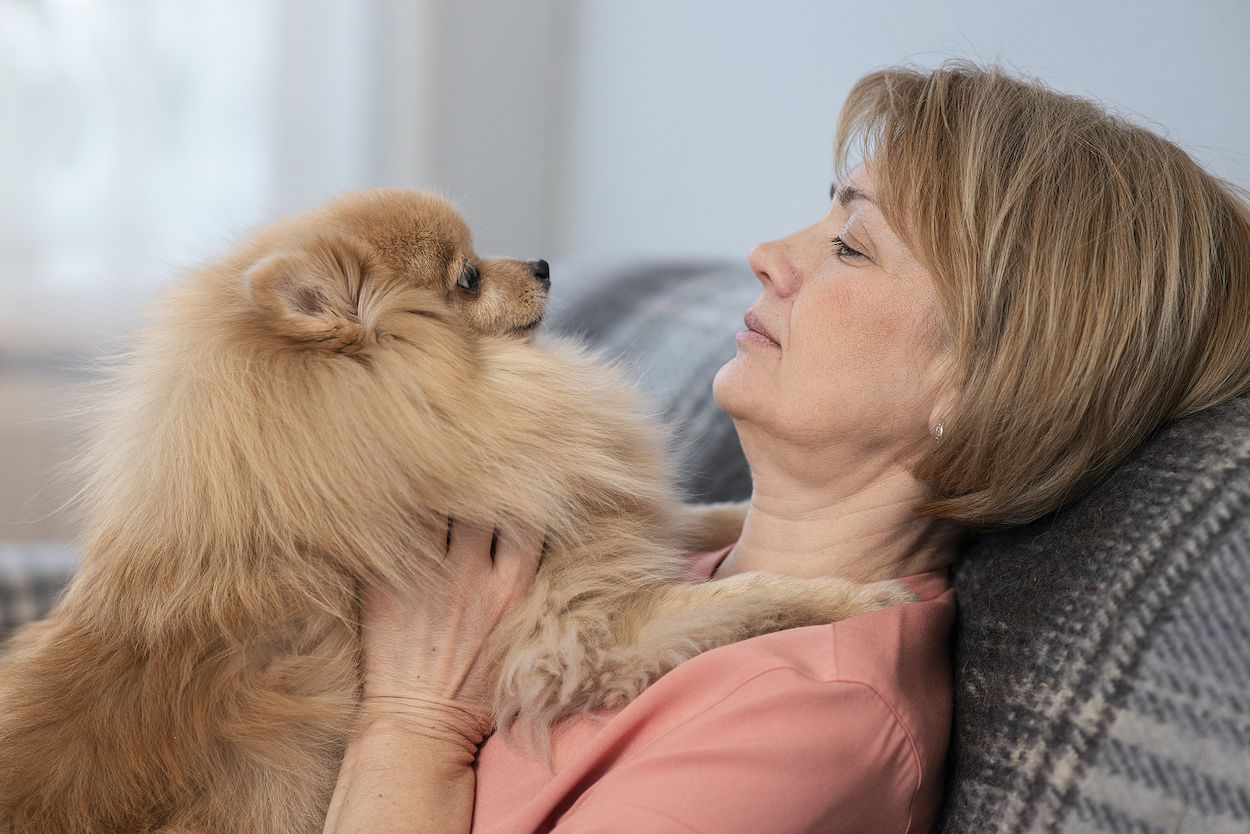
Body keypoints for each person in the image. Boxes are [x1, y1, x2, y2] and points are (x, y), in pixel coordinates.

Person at [323, 60, 1250, 833]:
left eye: (852, 245)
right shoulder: (666, 566)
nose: (770, 252)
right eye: (824, 211)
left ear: (983, 387)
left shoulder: (810, 723)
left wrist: (413, 722)